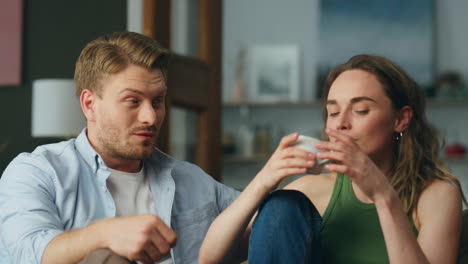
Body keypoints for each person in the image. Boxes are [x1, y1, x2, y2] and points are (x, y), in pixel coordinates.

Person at [199, 54, 465, 264]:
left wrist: (384, 197)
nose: (341, 124)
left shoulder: (437, 195)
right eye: (333, 112)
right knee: (282, 204)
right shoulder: (310, 192)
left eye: (361, 110)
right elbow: (211, 257)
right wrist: (263, 181)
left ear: (400, 119)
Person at [0, 31, 239, 264]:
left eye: (157, 101)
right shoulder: (37, 172)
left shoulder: (189, 178)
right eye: (133, 101)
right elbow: (29, 253)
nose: (150, 117)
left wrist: (269, 180)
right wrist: (105, 233)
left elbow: (260, 221)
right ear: (89, 104)